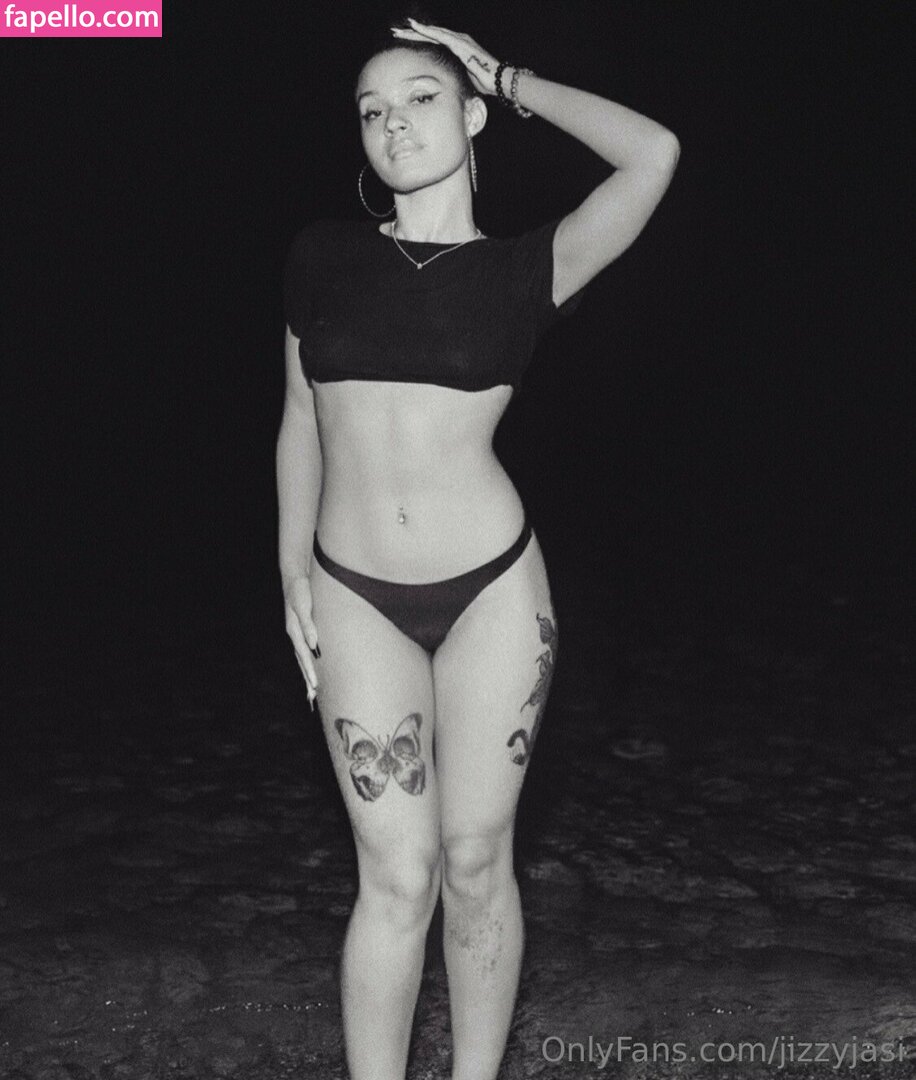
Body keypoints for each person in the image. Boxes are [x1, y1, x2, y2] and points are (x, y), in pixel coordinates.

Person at [278, 15, 678, 1080]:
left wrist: (503, 75)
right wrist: (289, 571)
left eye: (421, 98)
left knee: (471, 858)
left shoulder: (527, 267)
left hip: (493, 590)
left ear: (469, 118)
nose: (393, 123)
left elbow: (654, 153)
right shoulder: (321, 256)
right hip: (353, 590)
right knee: (395, 873)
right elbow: (300, 420)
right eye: (371, 109)